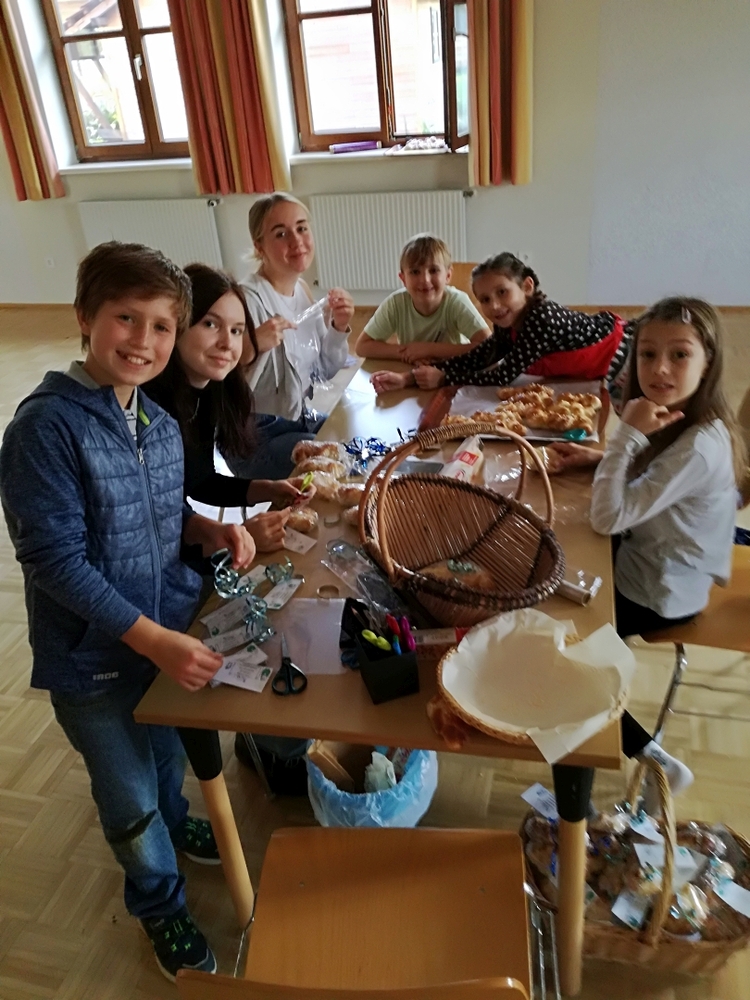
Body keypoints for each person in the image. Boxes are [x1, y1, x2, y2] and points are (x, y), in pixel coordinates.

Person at [0, 242, 256, 982]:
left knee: (167, 761)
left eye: (162, 326)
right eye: (126, 318)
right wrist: (154, 641)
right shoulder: (45, 428)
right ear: (85, 317)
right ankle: (157, 899)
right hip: (94, 662)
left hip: (160, 638)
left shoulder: (159, 423)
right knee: (130, 798)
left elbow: (161, 515)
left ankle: (175, 827)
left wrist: (206, 530)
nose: (144, 340)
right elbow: (55, 562)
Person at [559, 297, 747, 797]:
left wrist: (624, 436)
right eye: (647, 354)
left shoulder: (701, 446)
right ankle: (594, 684)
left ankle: (652, 759)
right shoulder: (689, 419)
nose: (660, 368)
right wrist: (600, 457)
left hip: (659, 590)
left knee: (562, 654)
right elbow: (652, 477)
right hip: (650, 558)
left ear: (708, 362)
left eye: (679, 354)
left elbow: (608, 516)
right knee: (556, 562)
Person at [146, 263, 314, 554]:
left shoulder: (210, 390)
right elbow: (153, 530)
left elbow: (199, 482)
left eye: (237, 331)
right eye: (210, 324)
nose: (227, 343)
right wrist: (232, 539)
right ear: (176, 324)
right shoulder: (149, 409)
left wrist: (268, 489)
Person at [370, 252, 634, 395]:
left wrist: (444, 378)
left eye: (502, 292)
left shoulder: (541, 319)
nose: (494, 306)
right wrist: (409, 378)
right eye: (485, 299)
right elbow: (480, 356)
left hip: (620, 355)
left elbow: (504, 375)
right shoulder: (508, 320)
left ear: (526, 287)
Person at [231, 193, 355, 481]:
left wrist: (339, 328)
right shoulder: (246, 300)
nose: (296, 240)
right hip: (253, 439)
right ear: (259, 246)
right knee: (334, 466)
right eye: (281, 233)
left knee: (354, 441)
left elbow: (324, 370)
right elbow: (215, 385)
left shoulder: (302, 291)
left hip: (297, 420)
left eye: (301, 228)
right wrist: (250, 348)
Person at [354, 233, 489, 362]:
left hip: (453, 369)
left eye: (433, 270)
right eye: (415, 272)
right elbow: (362, 346)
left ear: (448, 275)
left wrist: (428, 350)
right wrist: (408, 353)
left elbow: (488, 347)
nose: (425, 280)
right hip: (414, 368)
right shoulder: (396, 304)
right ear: (403, 279)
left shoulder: (456, 302)